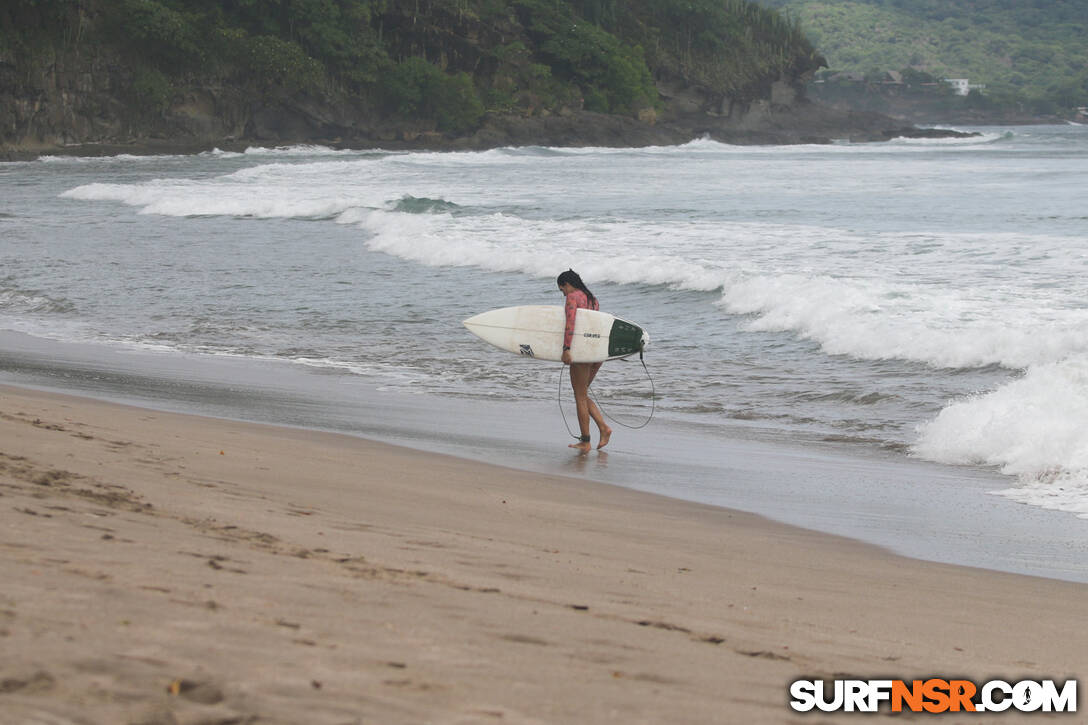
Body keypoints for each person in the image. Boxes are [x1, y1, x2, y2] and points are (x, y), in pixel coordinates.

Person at [557, 269, 612, 452]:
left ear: (566, 284)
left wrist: (566, 349)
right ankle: (603, 429)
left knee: (579, 396)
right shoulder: (592, 299)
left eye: (562, 289)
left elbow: (570, 323)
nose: (563, 294)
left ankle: (586, 441)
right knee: (582, 393)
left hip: (582, 353)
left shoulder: (572, 297)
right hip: (596, 351)